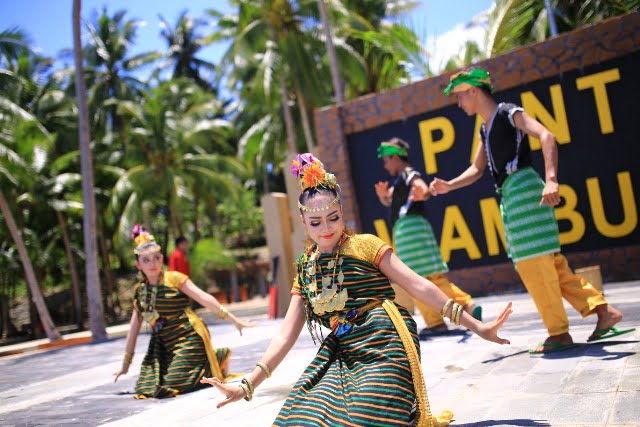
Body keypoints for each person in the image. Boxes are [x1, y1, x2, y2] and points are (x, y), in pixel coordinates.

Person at [201, 153, 512, 426]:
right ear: (303, 222)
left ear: (342, 211)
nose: (326, 229)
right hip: (340, 351)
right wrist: (247, 385)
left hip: (384, 341)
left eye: (333, 218)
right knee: (299, 418)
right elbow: (286, 333)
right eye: (316, 222)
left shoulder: (365, 246)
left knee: (365, 418)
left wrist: (476, 326)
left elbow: (418, 284)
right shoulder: (306, 266)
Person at [430, 67, 634, 354]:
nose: (459, 103)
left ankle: (558, 333)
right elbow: (477, 169)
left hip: (524, 193)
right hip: (513, 196)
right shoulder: (485, 127)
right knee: (552, 266)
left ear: (474, 91)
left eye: (460, 97)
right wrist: (449, 186)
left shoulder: (507, 112)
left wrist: (552, 179)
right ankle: (603, 312)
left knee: (533, 264)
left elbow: (546, 136)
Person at [113, 225, 256, 398]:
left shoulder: (174, 278)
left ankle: (215, 359)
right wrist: (125, 366)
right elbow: (134, 328)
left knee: (176, 382)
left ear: (162, 258)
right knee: (147, 385)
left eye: (156, 258)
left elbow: (205, 298)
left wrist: (235, 320)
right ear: (138, 264)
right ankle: (214, 358)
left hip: (188, 336)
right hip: (163, 344)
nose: (153, 263)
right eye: (146, 260)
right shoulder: (140, 291)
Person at [375, 137, 482, 339]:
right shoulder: (399, 181)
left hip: (413, 232)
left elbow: (421, 188)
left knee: (424, 278)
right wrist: (383, 196)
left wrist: (422, 193)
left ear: (396, 157)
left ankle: (466, 304)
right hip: (406, 232)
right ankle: (436, 322)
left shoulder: (408, 173)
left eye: (387, 160)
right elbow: (391, 200)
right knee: (416, 279)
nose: (386, 165)